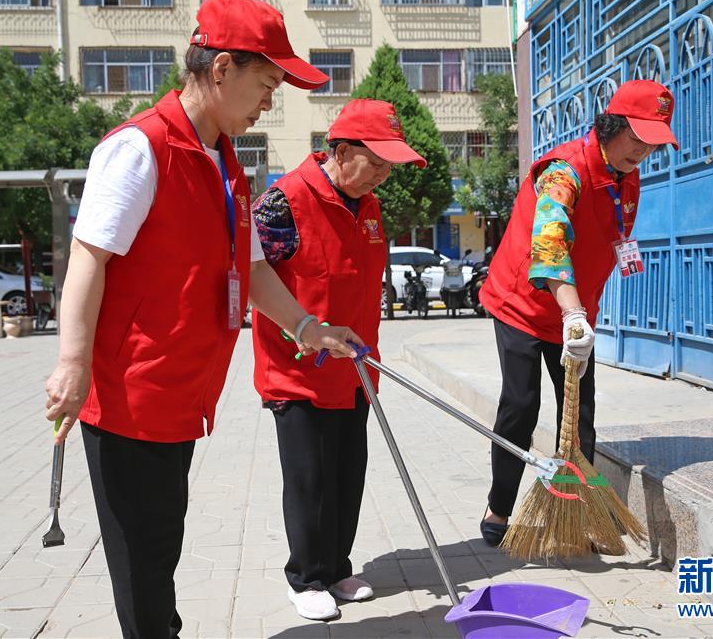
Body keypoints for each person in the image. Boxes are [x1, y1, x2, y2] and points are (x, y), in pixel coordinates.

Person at [43, 0, 363, 637]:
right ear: (220, 70)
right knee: (143, 562)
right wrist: (72, 366)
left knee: (160, 546)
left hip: (181, 398)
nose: (270, 99)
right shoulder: (140, 150)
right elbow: (88, 258)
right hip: (131, 397)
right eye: (267, 83)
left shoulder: (222, 161)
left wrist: (307, 328)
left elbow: (252, 271)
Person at [477, 80, 678, 547]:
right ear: (612, 125)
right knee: (521, 406)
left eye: (654, 143)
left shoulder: (627, 176)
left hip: (574, 314)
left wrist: (579, 314)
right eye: (637, 138)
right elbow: (548, 244)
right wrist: (571, 313)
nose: (644, 151)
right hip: (523, 306)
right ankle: (499, 506)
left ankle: (573, 513)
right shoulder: (564, 171)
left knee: (579, 413)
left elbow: (610, 238)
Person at [251, 99, 427, 620]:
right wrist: (304, 329)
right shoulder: (283, 203)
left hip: (355, 369)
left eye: (389, 167)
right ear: (342, 150)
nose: (382, 176)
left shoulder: (367, 204)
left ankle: (335, 567)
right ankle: (304, 577)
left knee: (349, 473)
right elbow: (254, 279)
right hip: (298, 370)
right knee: (310, 478)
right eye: (375, 163)